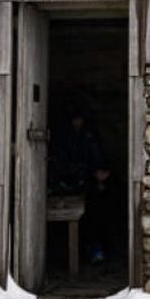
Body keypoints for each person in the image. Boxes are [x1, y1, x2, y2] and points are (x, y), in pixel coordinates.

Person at [49, 107, 112, 264]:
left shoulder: (89, 135)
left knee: (94, 215)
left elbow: (97, 156)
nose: (78, 122)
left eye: (80, 119)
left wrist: (99, 174)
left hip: (88, 182)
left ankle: (94, 250)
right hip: (68, 183)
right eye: (75, 119)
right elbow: (60, 160)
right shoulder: (63, 136)